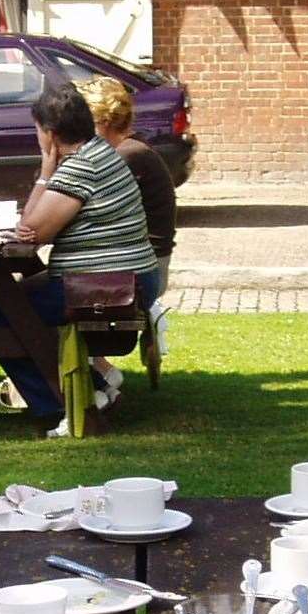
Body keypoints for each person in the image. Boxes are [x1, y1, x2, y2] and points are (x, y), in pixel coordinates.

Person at [0, 82, 161, 428]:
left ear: (50, 133)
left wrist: (45, 171)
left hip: (110, 284)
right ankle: (98, 386)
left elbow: (32, 233)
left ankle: (56, 405)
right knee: (13, 301)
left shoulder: (80, 168)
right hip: (128, 276)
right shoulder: (100, 152)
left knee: (2, 314)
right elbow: (35, 229)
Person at [77, 75, 177, 399]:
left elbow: (77, 213)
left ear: (101, 122)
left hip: (137, 274)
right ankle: (99, 369)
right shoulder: (131, 151)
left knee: (40, 297)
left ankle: (95, 378)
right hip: (136, 266)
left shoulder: (125, 156)